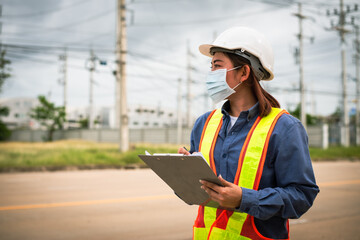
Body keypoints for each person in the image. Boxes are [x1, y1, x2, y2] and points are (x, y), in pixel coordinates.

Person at [178, 26, 319, 240]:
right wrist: (185, 177)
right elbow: (199, 192)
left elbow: (302, 196)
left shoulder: (284, 128)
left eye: (218, 66)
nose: (211, 74)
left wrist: (244, 199)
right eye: (211, 66)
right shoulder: (203, 124)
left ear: (244, 72)